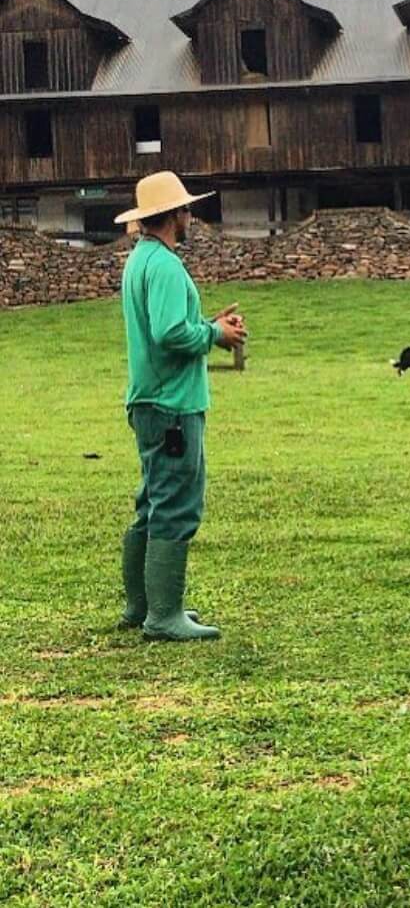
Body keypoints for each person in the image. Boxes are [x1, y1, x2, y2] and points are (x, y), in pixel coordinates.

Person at [114, 171, 246, 641]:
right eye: (187, 209)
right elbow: (170, 334)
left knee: (153, 502)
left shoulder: (140, 260)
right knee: (175, 505)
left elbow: (166, 325)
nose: (191, 217)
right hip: (172, 405)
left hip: (150, 400)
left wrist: (206, 324)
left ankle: (142, 605)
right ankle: (163, 616)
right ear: (174, 215)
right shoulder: (166, 265)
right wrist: (215, 334)